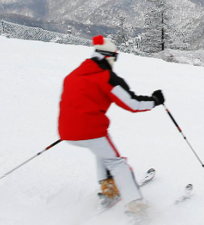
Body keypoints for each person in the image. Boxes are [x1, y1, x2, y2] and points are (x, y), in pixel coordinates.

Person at [58, 36, 165, 215]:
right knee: (117, 163)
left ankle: (109, 189)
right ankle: (135, 204)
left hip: (67, 132)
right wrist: (154, 101)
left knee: (103, 152)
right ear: (108, 56)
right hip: (91, 131)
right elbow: (133, 104)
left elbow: (72, 102)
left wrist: (71, 128)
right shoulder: (106, 77)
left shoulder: (73, 75)